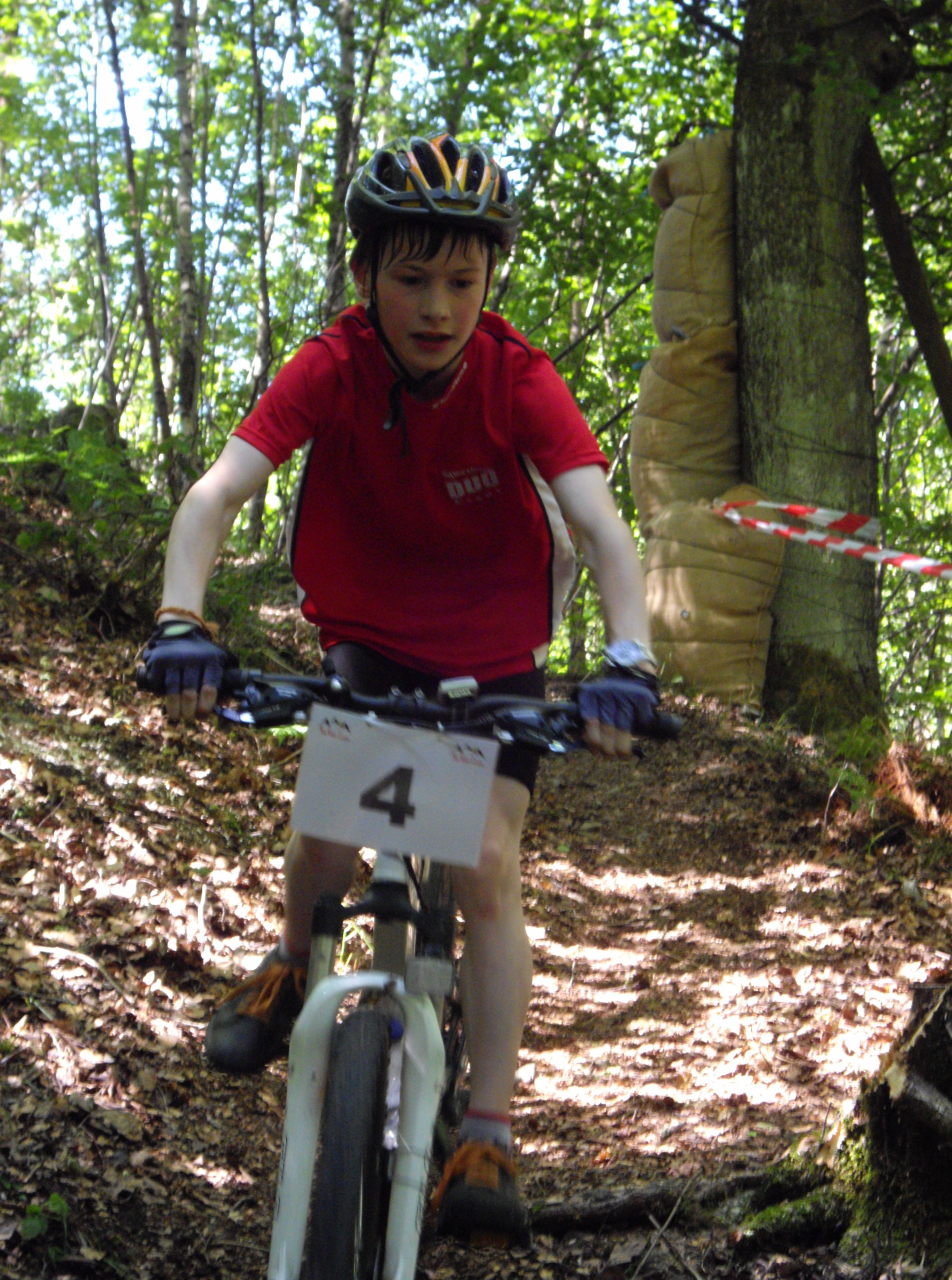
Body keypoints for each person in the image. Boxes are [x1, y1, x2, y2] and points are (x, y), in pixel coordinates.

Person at [140, 129, 660, 1244]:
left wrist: (629, 660)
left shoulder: (519, 377)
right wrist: (182, 618)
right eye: (412, 277)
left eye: (463, 281)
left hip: (495, 647)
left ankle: (488, 1128)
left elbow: (599, 525)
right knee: (325, 835)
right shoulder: (332, 363)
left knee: (487, 864)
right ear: (365, 272)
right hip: (369, 633)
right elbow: (220, 491)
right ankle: (294, 963)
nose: (437, 306)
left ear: (490, 282)